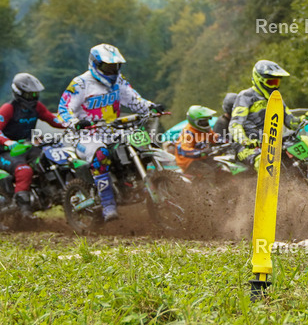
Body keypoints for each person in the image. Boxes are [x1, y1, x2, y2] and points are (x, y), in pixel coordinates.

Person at [57, 44, 163, 221]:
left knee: (140, 143)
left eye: (115, 66)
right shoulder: (80, 83)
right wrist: (75, 122)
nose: (112, 71)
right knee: (101, 154)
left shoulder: (119, 81)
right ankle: (108, 205)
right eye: (108, 67)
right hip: (86, 136)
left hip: (113, 130)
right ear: (95, 64)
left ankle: (138, 185)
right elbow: (63, 109)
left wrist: (151, 107)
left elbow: (134, 100)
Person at [0, 73, 66, 220]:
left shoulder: (37, 107)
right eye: (30, 94)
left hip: (27, 147)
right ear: (19, 93)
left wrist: (72, 124)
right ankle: (25, 213)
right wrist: (7, 142)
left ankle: (55, 192)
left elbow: (53, 120)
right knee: (24, 171)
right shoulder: (8, 108)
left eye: (35, 94)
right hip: (6, 151)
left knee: (49, 159)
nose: (33, 97)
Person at [230, 60, 308, 169]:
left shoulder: (276, 98)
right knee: (262, 161)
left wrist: (303, 119)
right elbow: (235, 124)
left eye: (276, 82)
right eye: (270, 82)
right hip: (248, 145)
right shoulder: (246, 96)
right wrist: (245, 140)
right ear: (259, 80)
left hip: (272, 142)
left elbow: (290, 122)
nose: (274, 86)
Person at [175, 105, 218, 174]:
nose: (205, 123)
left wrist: (228, 141)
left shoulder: (204, 130)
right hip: (189, 162)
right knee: (208, 172)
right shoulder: (188, 133)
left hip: (202, 158)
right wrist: (201, 152)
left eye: (206, 120)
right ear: (194, 121)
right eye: (202, 121)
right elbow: (184, 151)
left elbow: (215, 138)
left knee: (220, 166)